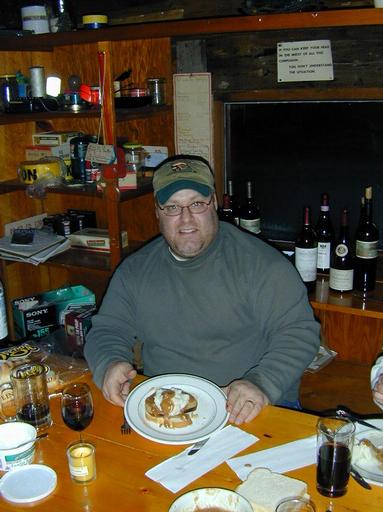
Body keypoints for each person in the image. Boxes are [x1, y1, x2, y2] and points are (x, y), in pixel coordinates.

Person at [84, 155, 320, 425]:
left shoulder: (263, 265)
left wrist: (262, 383)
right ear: (157, 212)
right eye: (172, 207)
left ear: (215, 205)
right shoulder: (134, 271)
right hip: (167, 409)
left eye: (196, 203)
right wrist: (109, 363)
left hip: (249, 408)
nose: (186, 219)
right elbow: (107, 330)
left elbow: (300, 332)